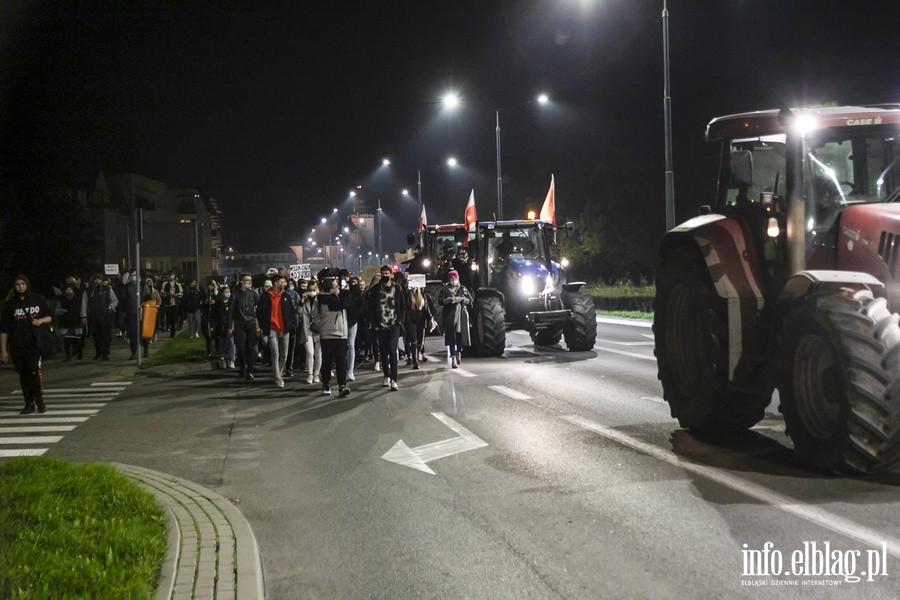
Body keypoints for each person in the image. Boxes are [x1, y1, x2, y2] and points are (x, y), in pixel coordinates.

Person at [0, 275, 53, 414]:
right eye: (17, 284)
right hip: (17, 344)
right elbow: (4, 329)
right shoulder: (10, 305)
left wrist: (40, 321)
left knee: (34, 371)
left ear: (27, 284)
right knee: (23, 374)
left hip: (34, 343)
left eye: (23, 283)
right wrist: (3, 349)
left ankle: (39, 399)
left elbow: (50, 316)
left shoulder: (37, 299)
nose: (20, 287)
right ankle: (28, 402)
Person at [367, 265, 407, 390]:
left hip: (394, 324)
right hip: (381, 324)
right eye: (382, 274)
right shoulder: (376, 290)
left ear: (391, 274)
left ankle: (394, 379)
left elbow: (403, 307)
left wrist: (399, 321)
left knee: (392, 348)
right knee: (383, 350)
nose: (385, 276)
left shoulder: (397, 288)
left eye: (387, 273)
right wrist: (374, 324)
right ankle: (387, 375)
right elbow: (371, 308)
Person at [256, 274, 296, 389]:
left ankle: (279, 371)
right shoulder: (265, 297)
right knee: (275, 353)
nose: (284, 284)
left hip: (285, 329)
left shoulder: (286, 296)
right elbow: (259, 312)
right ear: (275, 283)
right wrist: (264, 325)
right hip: (272, 329)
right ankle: (278, 378)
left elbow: (291, 312)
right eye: (281, 282)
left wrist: (291, 325)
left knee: (284, 354)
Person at [316, 277, 351, 396]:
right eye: (336, 286)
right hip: (329, 334)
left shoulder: (333, 297)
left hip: (340, 334)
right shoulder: (326, 299)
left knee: (341, 361)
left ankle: (342, 385)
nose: (339, 288)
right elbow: (344, 304)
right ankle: (326, 384)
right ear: (331, 290)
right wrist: (347, 292)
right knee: (327, 361)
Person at [437, 269, 472, 368]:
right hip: (449, 317)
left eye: (455, 278)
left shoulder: (462, 289)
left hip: (460, 316)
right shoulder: (445, 290)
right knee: (451, 337)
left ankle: (459, 352)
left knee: (459, 336)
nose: (453, 280)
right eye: (451, 278)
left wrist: (462, 299)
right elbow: (440, 301)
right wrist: (449, 299)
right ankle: (453, 358)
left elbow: (470, 300)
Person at [228, 273, 260, 381]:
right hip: (239, 324)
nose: (249, 282)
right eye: (247, 280)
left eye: (250, 280)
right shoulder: (235, 294)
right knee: (241, 348)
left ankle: (249, 371)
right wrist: (230, 326)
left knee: (250, 348)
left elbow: (257, 306)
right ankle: (242, 367)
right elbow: (231, 311)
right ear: (242, 282)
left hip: (251, 323)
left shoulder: (253, 294)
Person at [82, 273, 118, 361]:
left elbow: (115, 300)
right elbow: (84, 303)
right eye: (95, 279)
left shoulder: (107, 289)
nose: (96, 281)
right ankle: (98, 352)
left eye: (98, 279)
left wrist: (110, 307)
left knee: (106, 335)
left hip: (105, 316)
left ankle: (105, 353)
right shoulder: (88, 291)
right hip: (93, 316)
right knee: (96, 335)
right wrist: (83, 315)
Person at [299, 280, 322, 384]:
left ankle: (316, 374)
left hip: (319, 328)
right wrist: (302, 300)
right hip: (307, 328)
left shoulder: (320, 299)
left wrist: (320, 297)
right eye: (310, 290)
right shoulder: (305, 299)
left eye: (314, 290)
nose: (312, 292)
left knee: (318, 354)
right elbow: (299, 312)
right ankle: (310, 374)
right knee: (309, 352)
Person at [57, 281, 84, 361]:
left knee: (77, 339)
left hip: (76, 321)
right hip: (65, 322)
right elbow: (57, 310)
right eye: (67, 289)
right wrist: (62, 311)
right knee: (66, 340)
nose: (69, 291)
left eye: (70, 289)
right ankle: (68, 356)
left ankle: (79, 352)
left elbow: (81, 308)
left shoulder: (78, 298)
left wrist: (83, 317)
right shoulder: (62, 299)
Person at [213, 283, 235, 369]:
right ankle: (222, 353)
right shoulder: (218, 303)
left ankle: (232, 359)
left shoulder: (232, 302)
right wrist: (213, 325)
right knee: (222, 340)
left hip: (230, 324)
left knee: (231, 341)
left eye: (229, 292)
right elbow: (215, 315)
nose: (228, 293)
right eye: (226, 292)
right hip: (221, 324)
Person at [140, 277, 161, 358]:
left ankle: (145, 351)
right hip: (139, 314)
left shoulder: (150, 293)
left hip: (145, 314)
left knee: (145, 332)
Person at [159, 272, 183, 338]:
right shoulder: (165, 284)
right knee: (168, 318)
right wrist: (168, 294)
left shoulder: (177, 284)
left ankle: (173, 332)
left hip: (175, 303)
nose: (171, 277)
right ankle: (168, 327)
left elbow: (181, 293)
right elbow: (162, 292)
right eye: (169, 275)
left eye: (172, 275)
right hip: (167, 304)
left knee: (174, 318)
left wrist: (176, 295)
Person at [200, 281, 218, 357]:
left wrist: (215, 302)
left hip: (215, 316)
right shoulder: (204, 294)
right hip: (206, 315)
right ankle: (209, 350)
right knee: (208, 334)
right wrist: (205, 302)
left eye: (212, 286)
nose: (210, 287)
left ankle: (217, 349)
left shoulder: (217, 295)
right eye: (209, 285)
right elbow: (201, 304)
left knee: (216, 333)